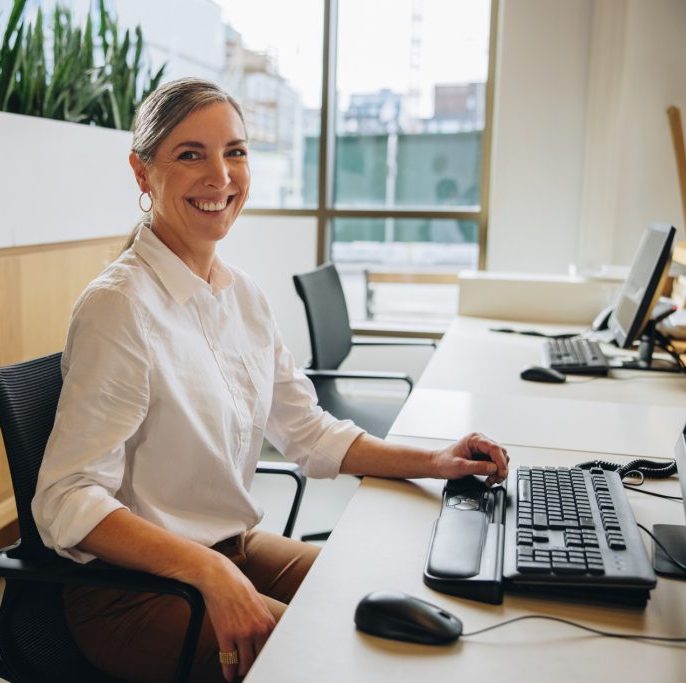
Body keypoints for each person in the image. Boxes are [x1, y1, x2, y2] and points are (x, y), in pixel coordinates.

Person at [32, 77, 509, 683]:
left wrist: (433, 462)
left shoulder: (244, 297)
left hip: (231, 551)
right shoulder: (119, 307)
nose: (221, 176)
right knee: (341, 657)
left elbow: (308, 432)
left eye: (234, 151)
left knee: (390, 589)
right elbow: (65, 499)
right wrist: (209, 574)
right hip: (131, 592)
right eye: (190, 154)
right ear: (141, 173)